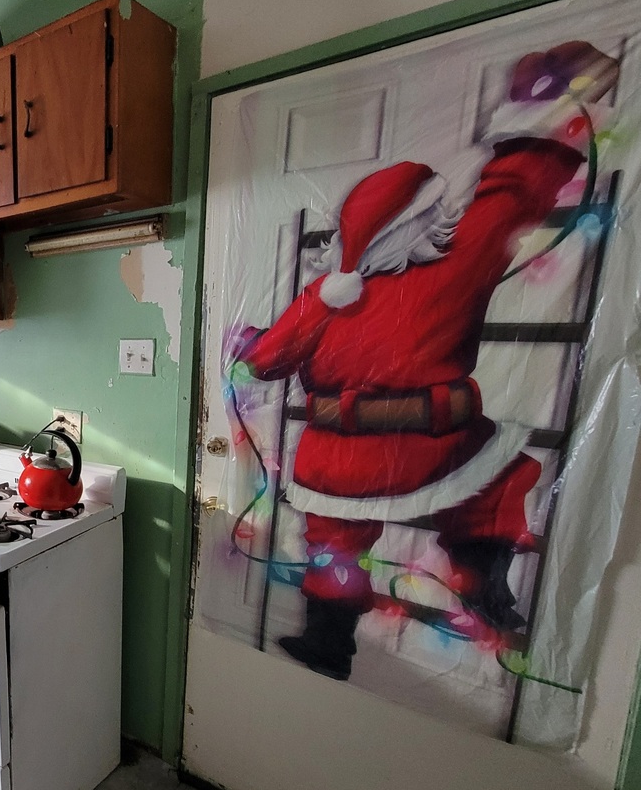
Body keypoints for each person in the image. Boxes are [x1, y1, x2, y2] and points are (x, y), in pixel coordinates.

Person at [234, 41, 618, 681]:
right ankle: (482, 578)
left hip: (333, 461)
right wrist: (550, 113)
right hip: (431, 445)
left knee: (334, 547)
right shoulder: (454, 265)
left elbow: (265, 362)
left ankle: (329, 642)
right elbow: (510, 196)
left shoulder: (322, 297)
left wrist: (278, 327)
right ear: (424, 221)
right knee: (498, 479)